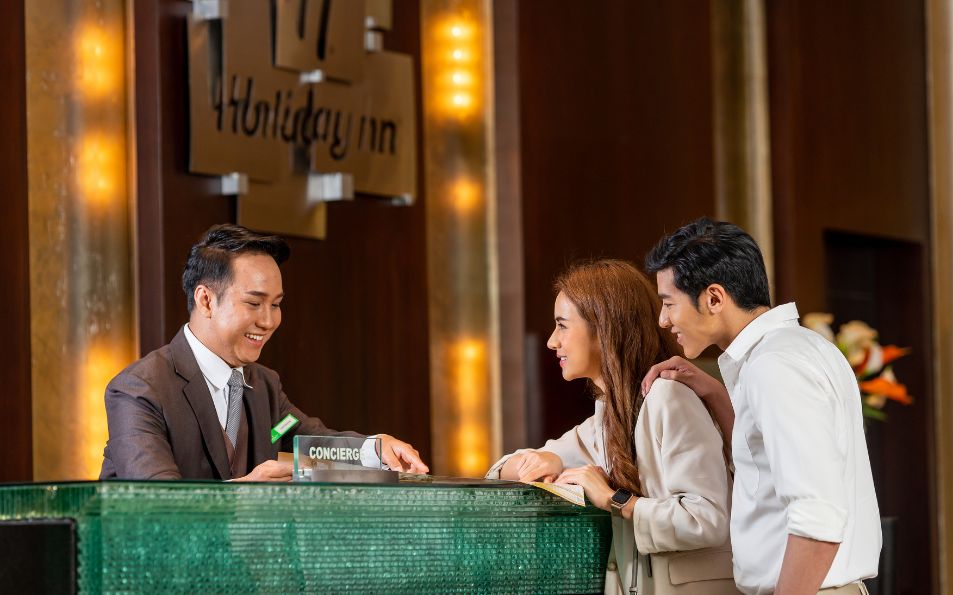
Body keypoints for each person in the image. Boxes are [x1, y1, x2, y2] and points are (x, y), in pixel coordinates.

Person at [641, 218, 881, 595]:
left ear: (714, 298)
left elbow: (818, 515)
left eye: (669, 303)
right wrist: (715, 393)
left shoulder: (774, 365)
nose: (663, 320)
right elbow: (764, 463)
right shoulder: (797, 348)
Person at [100, 224, 428, 481]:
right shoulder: (139, 390)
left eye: (276, 305)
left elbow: (304, 439)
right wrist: (246, 491)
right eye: (254, 303)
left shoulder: (264, 387)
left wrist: (373, 449)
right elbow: (154, 506)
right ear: (206, 300)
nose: (269, 321)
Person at [486, 260, 738, 595]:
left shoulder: (669, 399)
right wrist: (542, 461)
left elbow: (706, 520)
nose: (552, 341)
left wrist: (614, 500)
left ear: (604, 329)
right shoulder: (607, 420)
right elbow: (499, 469)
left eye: (562, 326)